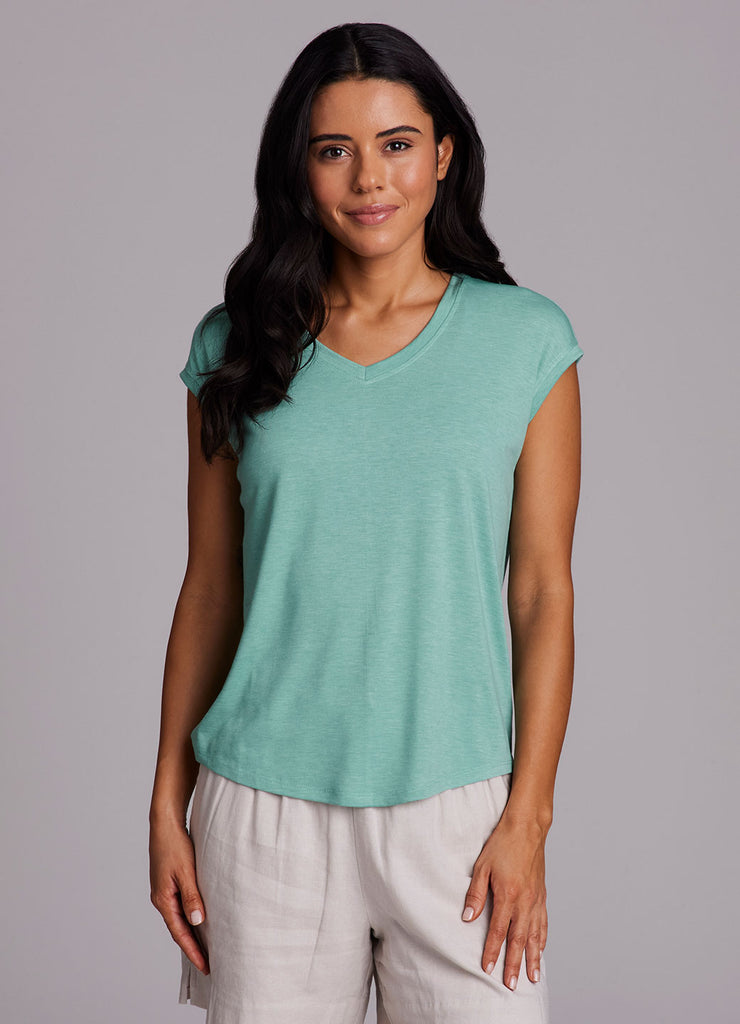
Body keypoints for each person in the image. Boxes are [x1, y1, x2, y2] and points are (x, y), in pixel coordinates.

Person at [149, 21, 583, 1024]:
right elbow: (210, 586)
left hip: (459, 818)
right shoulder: (234, 346)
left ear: (443, 155)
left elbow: (540, 591)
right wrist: (166, 803)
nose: (368, 178)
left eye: (395, 143)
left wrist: (528, 816)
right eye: (333, 149)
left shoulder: (526, 342)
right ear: (298, 169)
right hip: (263, 816)